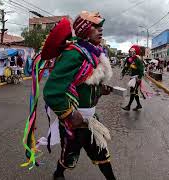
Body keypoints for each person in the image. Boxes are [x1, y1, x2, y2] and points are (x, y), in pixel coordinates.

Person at [43, 11, 115, 180]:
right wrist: (69, 114)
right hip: (74, 121)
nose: (100, 30)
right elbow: (51, 91)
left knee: (101, 152)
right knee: (69, 155)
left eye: (101, 27)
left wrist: (100, 91)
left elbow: (84, 86)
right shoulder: (73, 54)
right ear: (84, 30)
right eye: (95, 26)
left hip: (92, 120)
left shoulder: (94, 53)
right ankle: (58, 174)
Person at [122, 45, 144, 111]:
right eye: (130, 52)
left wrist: (139, 78)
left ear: (135, 52)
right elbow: (127, 67)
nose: (130, 53)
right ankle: (139, 105)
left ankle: (128, 106)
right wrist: (123, 72)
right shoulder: (131, 59)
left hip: (136, 78)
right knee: (135, 92)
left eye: (132, 52)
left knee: (133, 92)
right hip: (133, 77)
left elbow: (141, 70)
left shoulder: (138, 60)